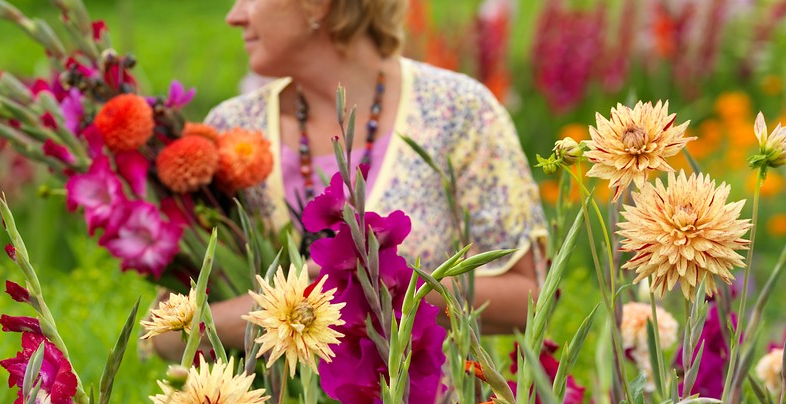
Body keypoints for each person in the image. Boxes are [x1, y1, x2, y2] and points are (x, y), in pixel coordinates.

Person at [147, 0, 547, 359]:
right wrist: (276, 317)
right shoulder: (233, 131)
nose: (234, 15)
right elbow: (162, 334)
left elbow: (531, 294)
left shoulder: (455, 111)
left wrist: (387, 287)